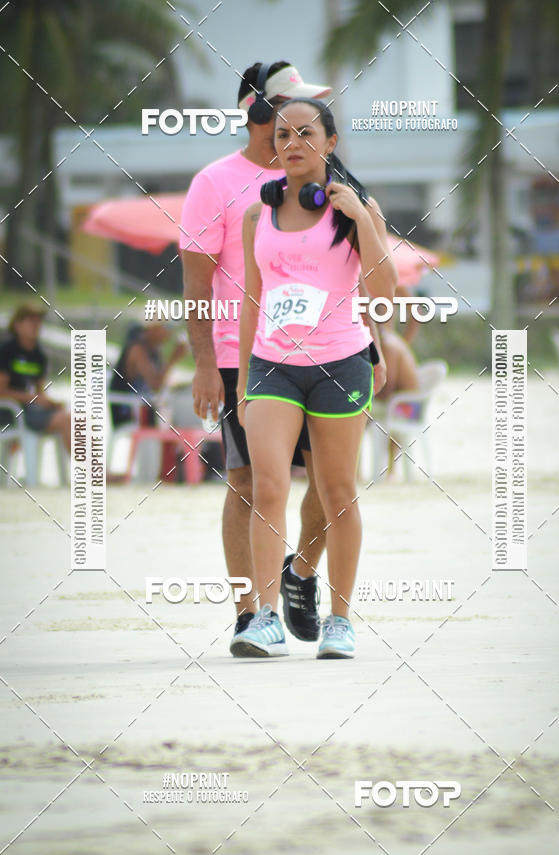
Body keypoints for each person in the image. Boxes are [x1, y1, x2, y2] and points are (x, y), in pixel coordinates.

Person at [231, 98, 395, 659]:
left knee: (338, 495)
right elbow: (253, 296)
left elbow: (386, 298)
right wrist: (244, 376)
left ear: (329, 143)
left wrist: (361, 220)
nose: (292, 142)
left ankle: (341, 622)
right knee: (269, 488)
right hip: (273, 367)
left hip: (341, 364)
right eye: (281, 135)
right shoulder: (258, 215)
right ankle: (265, 618)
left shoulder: (357, 208)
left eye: (305, 133)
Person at [180, 62, 336, 651]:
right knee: (246, 481)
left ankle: (298, 574)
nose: (299, 125)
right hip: (238, 353)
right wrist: (202, 363)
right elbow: (196, 285)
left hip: (325, 353)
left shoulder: (325, 177)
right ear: (258, 113)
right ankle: (251, 612)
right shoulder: (213, 184)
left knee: (330, 483)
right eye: (287, 110)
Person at [0, 303, 70, 451]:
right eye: (31, 321)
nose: (36, 325)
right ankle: (93, 471)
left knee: (77, 419)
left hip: (27, 410)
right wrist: (31, 398)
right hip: (8, 411)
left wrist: (50, 403)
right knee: (67, 420)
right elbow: (2, 393)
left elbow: (40, 393)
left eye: (38, 321)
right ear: (18, 325)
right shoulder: (7, 351)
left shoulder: (39, 356)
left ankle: (95, 468)